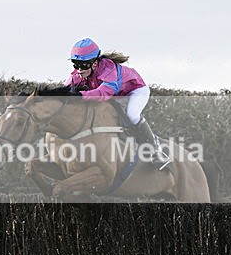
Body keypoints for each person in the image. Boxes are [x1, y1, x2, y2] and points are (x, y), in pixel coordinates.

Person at [65, 37, 169, 170]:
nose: (79, 69)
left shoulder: (108, 68)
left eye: (83, 65)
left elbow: (104, 93)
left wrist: (80, 95)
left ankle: (155, 150)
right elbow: (64, 93)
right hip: (116, 96)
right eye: (76, 64)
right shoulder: (76, 75)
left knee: (132, 115)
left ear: (94, 63)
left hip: (135, 91)